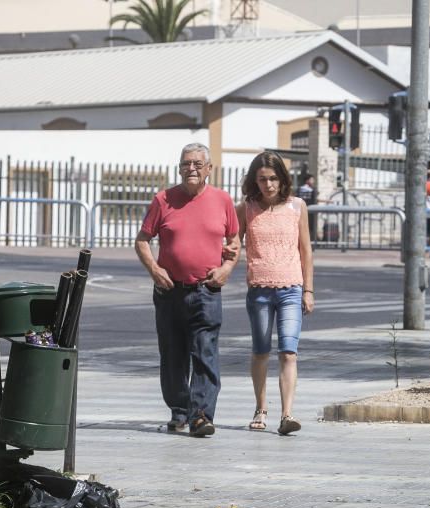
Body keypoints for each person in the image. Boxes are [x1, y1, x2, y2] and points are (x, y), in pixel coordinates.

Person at [135, 143, 240, 438]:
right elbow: (142, 240)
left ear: (208, 169)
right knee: (172, 356)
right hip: (169, 292)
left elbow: (234, 242)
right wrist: (155, 270)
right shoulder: (163, 199)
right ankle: (179, 410)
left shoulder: (222, 200)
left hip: (206, 290)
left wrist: (226, 269)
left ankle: (200, 415)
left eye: (197, 163)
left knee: (205, 353)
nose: (190, 169)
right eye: (185, 164)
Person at [237, 152, 314, 436]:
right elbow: (233, 243)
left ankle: (287, 414)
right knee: (260, 352)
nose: (268, 184)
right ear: (254, 181)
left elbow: (306, 251)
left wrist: (308, 290)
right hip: (258, 290)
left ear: (282, 179)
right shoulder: (246, 208)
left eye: (273, 178)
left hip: (291, 289)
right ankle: (261, 408)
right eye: (262, 179)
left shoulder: (297, 207)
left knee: (289, 352)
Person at [296, 173, 318, 242]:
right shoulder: (312, 190)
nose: (313, 182)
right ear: (307, 181)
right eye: (312, 180)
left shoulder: (299, 189)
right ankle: (310, 241)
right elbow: (314, 200)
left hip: (299, 211)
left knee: (300, 226)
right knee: (310, 226)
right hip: (310, 211)